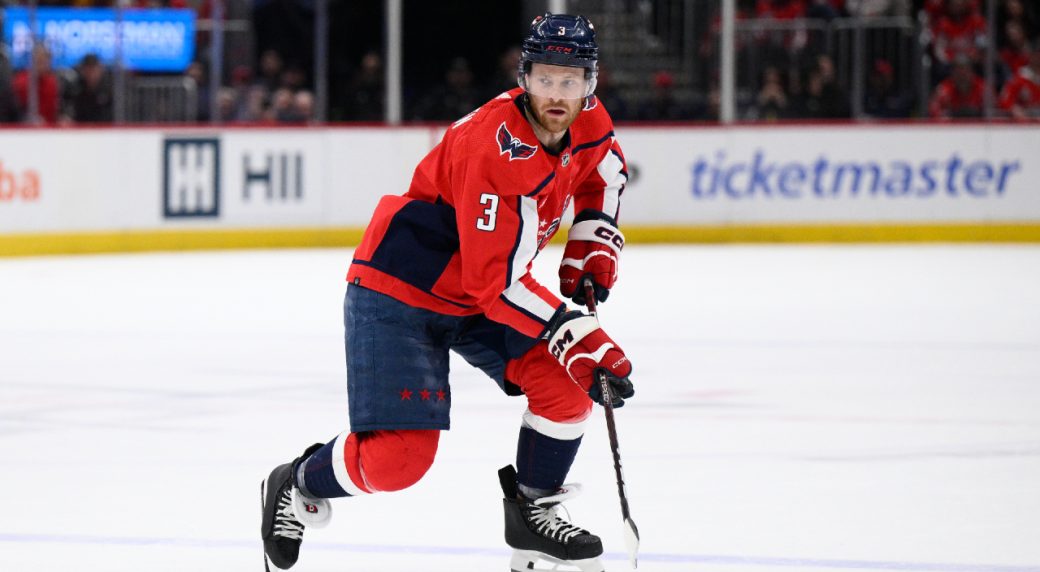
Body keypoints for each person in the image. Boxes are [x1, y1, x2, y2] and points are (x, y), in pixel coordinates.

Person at [260, 13, 634, 572]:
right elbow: (495, 284)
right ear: (524, 78)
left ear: (590, 83)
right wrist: (572, 331)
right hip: (401, 293)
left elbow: (605, 170)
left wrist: (592, 241)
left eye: (570, 80)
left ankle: (532, 518)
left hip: (481, 291)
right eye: (546, 79)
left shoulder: (589, 121)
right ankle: (295, 482)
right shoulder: (492, 148)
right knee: (399, 461)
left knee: (565, 385)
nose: (557, 95)